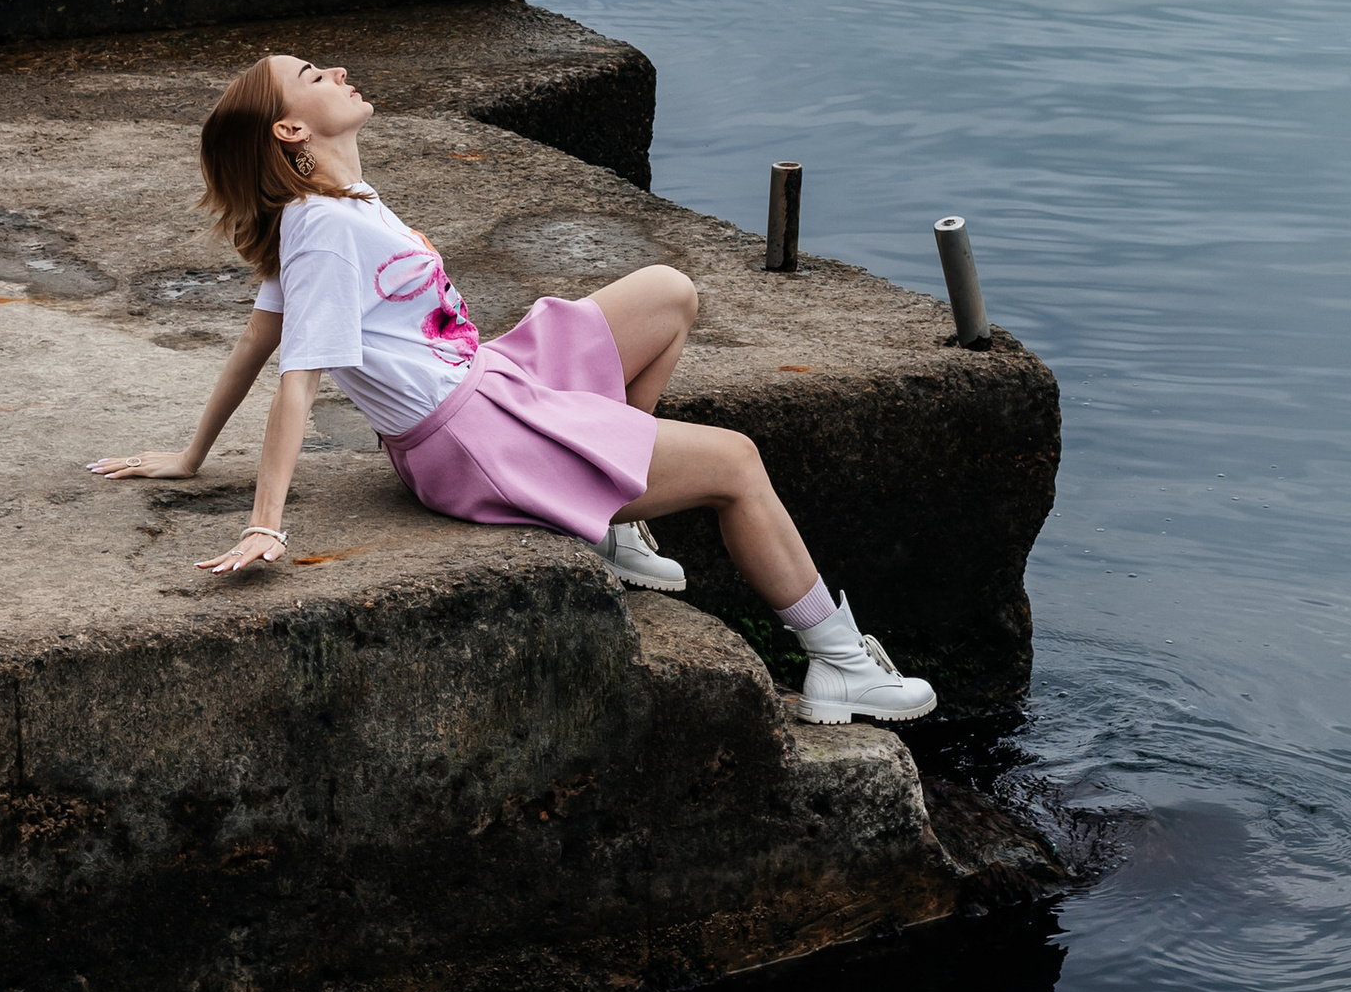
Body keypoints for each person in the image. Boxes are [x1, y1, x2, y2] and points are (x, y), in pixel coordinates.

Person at [90, 52, 935, 721]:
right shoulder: (321, 230)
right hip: (473, 435)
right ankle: (842, 666)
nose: (338, 72)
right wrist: (264, 523)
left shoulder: (340, 202)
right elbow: (293, 375)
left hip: (495, 378)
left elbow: (252, 334)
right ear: (289, 128)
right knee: (737, 463)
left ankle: (609, 521)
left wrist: (193, 454)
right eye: (315, 76)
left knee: (669, 293)